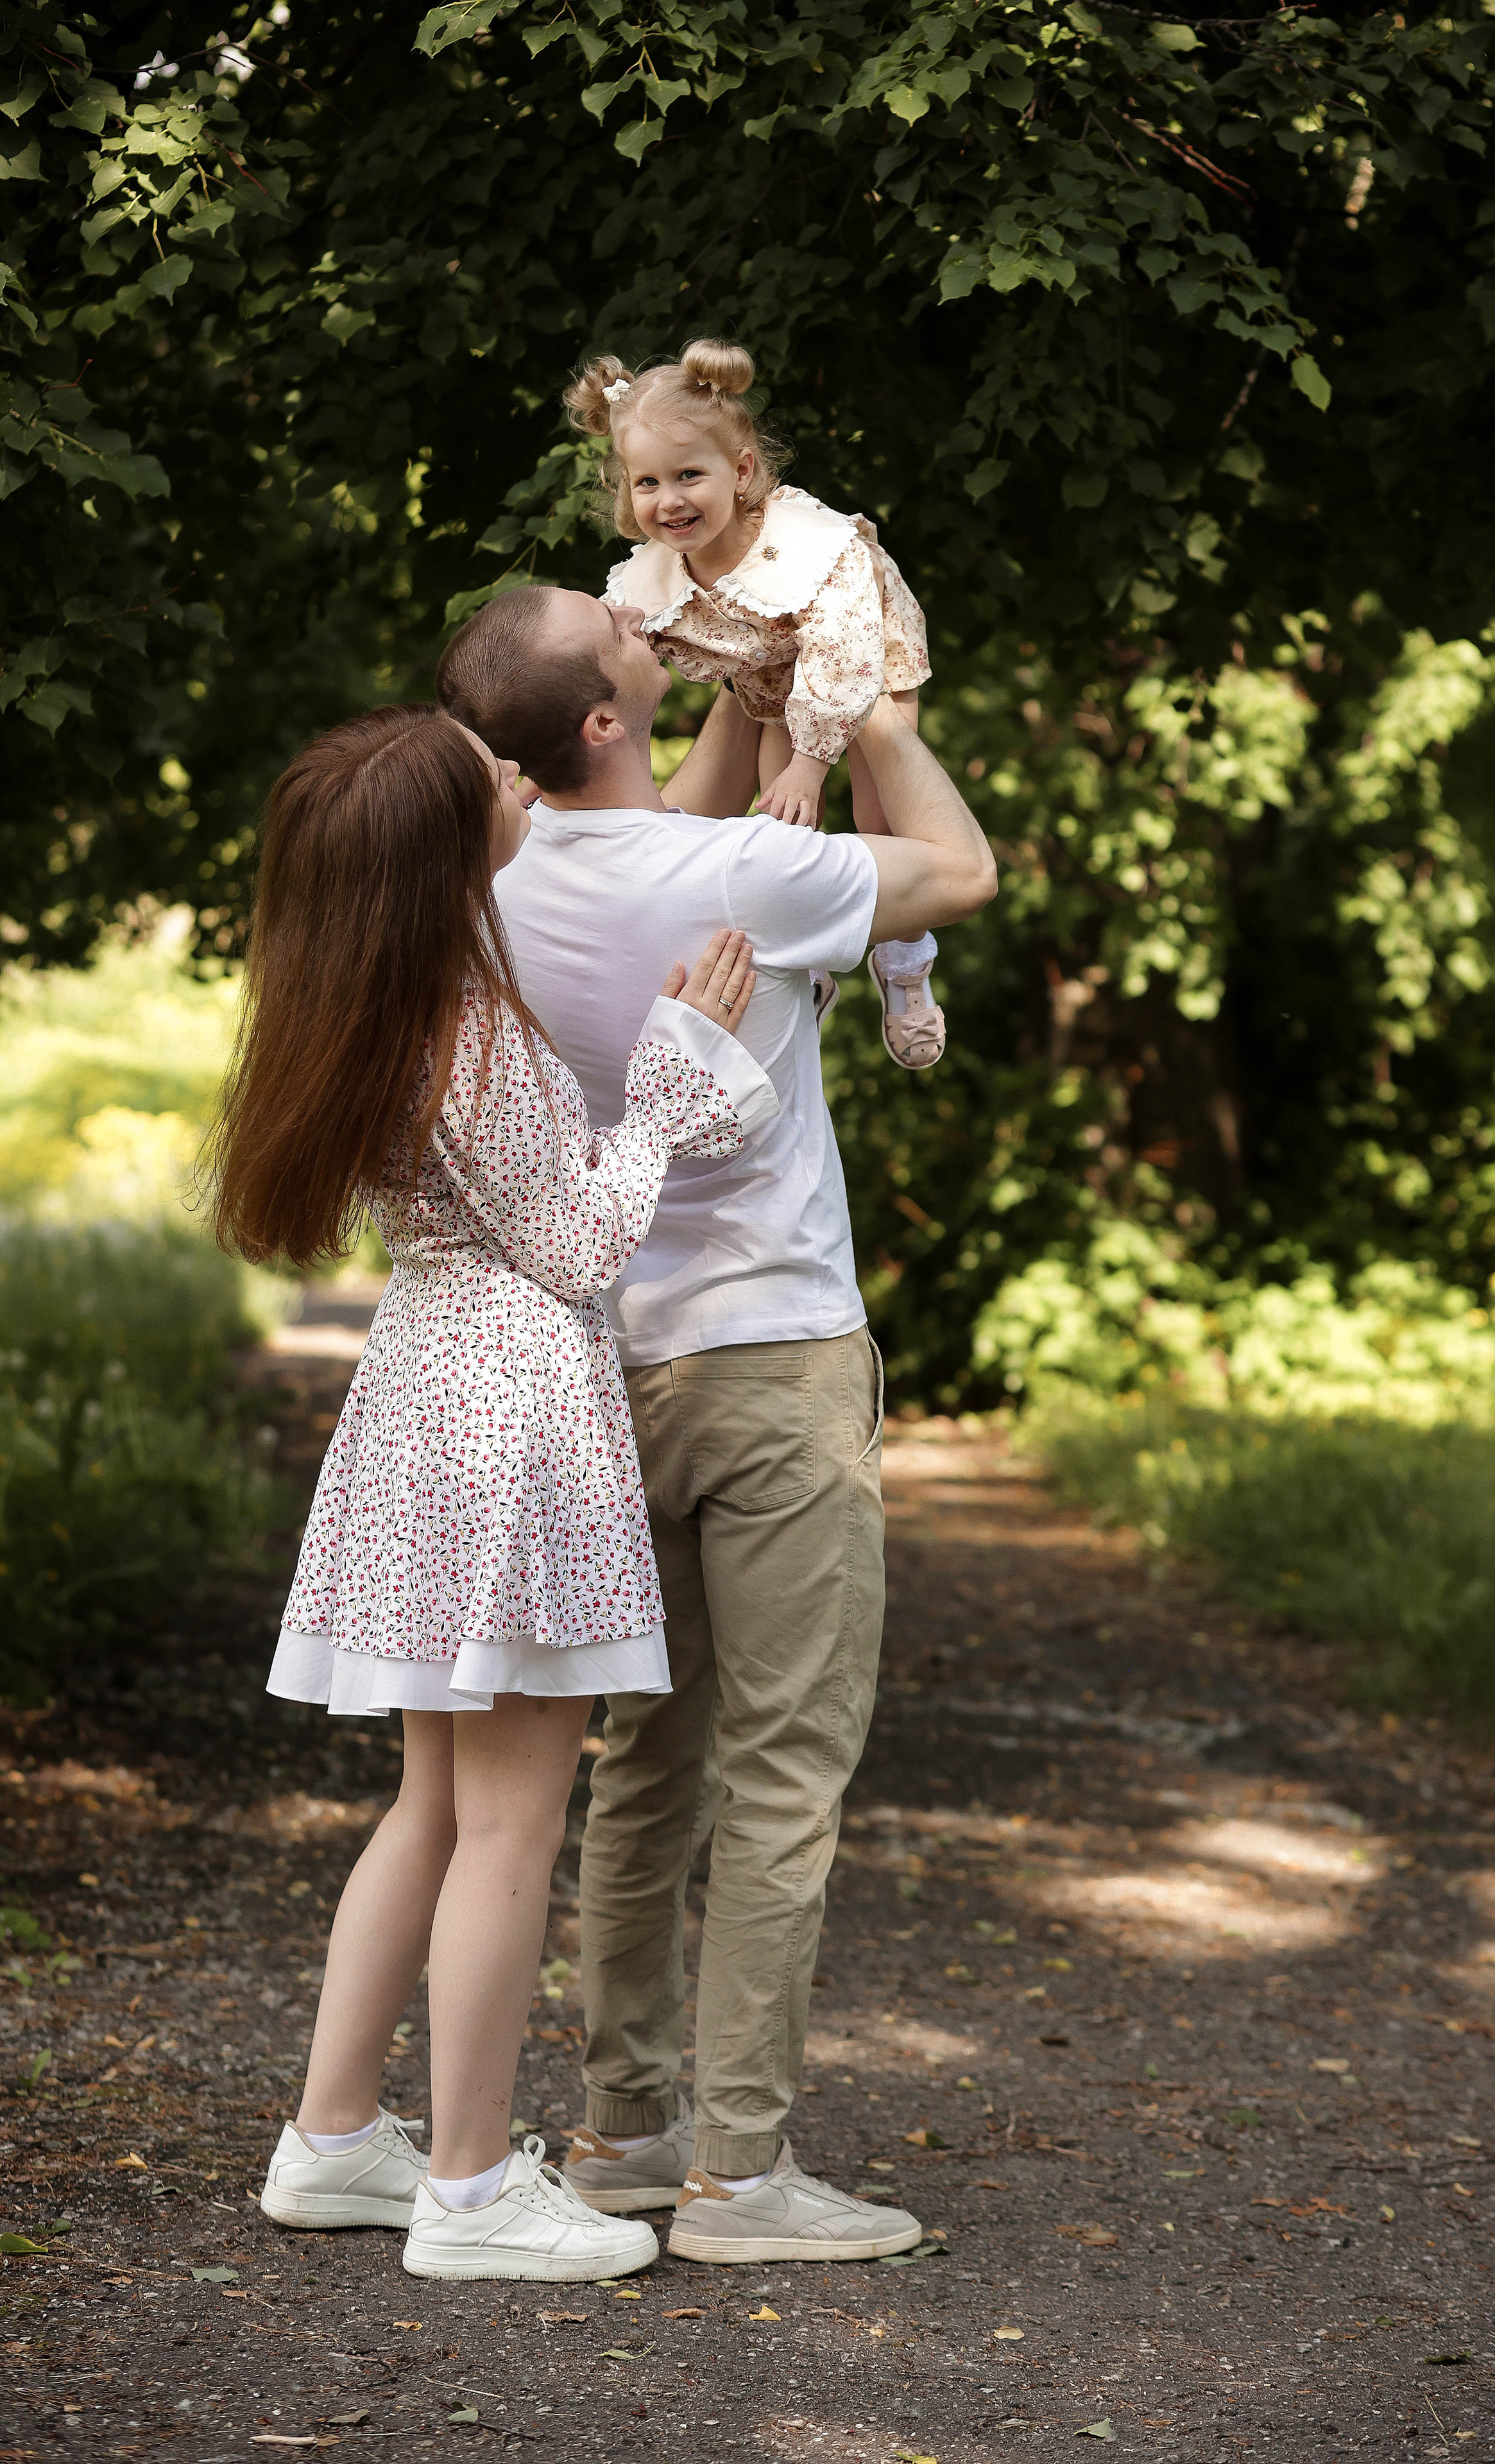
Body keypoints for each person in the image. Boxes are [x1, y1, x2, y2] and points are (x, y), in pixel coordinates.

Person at [436, 584, 996, 2263]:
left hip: (596, 1360)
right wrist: (866, 701)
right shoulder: (742, 876)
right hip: (768, 1360)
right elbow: (959, 872)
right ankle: (741, 2178)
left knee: (645, 1763)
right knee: (783, 1767)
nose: (635, 610)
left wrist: (746, 704)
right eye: (610, 628)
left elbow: (651, 817)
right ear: (606, 719)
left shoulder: (497, 879)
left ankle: (625, 2133)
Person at [209, 700, 776, 2282]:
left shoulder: (381, 1004)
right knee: (513, 1816)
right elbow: (583, 1246)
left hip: (429, 1388)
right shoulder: (468, 1026)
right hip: (510, 1406)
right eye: (491, 778)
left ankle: (335, 2138)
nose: (517, 776)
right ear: (449, 847)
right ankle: (468, 2191)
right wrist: (668, 1078)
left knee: (439, 1803)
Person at [566, 337, 947, 1073]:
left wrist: (812, 762)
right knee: (783, 828)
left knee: (881, 820)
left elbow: (840, 650)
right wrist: (548, 758)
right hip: (776, 679)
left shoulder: (808, 545)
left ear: (740, 471)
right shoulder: (653, 575)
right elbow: (607, 661)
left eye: (689, 475)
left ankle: (906, 956)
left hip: (863, 658)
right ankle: (807, 962)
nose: (669, 500)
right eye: (647, 483)